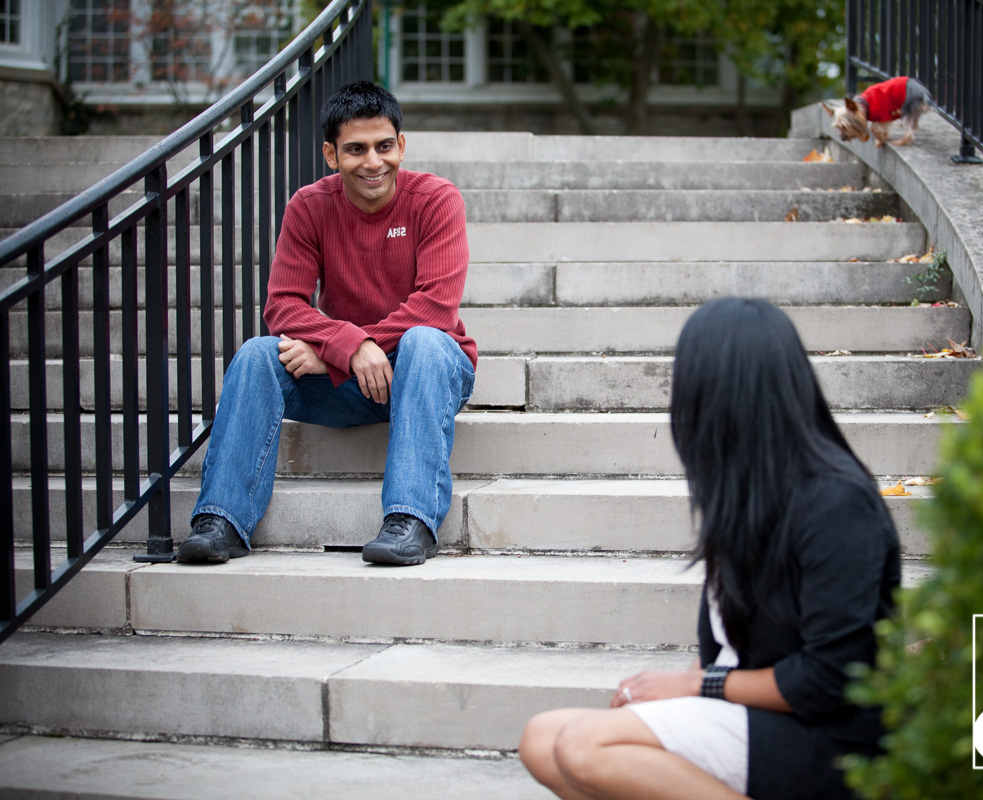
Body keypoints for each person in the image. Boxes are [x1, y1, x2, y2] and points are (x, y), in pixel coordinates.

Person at [519, 297, 901, 799]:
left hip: (833, 738)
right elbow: (728, 650)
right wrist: (682, 691)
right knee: (542, 739)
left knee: (586, 747)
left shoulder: (837, 502)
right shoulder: (746, 496)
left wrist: (692, 687)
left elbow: (830, 679)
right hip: (750, 717)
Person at [176, 81, 476, 567]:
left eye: (383, 146)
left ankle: (411, 520)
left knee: (423, 340)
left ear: (401, 145)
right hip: (347, 379)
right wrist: (347, 346)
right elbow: (283, 305)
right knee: (257, 353)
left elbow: (436, 306)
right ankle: (222, 520)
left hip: (424, 372)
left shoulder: (436, 200)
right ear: (331, 155)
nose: (373, 162)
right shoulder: (309, 206)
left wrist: (343, 346)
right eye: (355, 150)